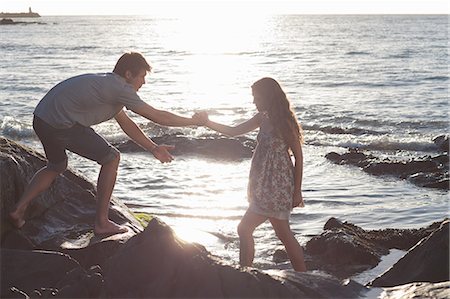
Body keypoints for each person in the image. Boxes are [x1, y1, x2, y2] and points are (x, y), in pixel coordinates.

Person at [9, 52, 204, 236]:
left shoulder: (108, 86)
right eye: (142, 76)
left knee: (57, 165)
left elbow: (127, 124)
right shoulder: (120, 88)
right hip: (59, 124)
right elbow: (159, 117)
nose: (144, 82)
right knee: (111, 158)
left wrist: (153, 148)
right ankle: (102, 223)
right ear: (128, 74)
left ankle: (18, 210)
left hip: (41, 119)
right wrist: (193, 121)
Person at [194, 77, 306, 271]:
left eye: (257, 97)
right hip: (263, 185)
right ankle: (298, 275)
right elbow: (233, 131)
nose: (254, 101)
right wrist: (207, 122)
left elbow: (299, 157)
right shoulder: (262, 117)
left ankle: (246, 273)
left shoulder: (285, 123)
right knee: (282, 234)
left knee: (247, 229)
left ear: (268, 97)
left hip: (277, 187)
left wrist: (297, 191)